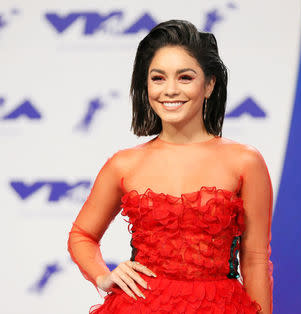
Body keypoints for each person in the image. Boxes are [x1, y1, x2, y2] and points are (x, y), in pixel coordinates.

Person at [68, 19, 273, 314]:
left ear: (209, 84)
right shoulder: (124, 163)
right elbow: (81, 236)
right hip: (138, 306)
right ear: (146, 84)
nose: (170, 90)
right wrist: (103, 275)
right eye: (158, 78)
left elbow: (254, 259)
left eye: (185, 77)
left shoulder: (244, 161)